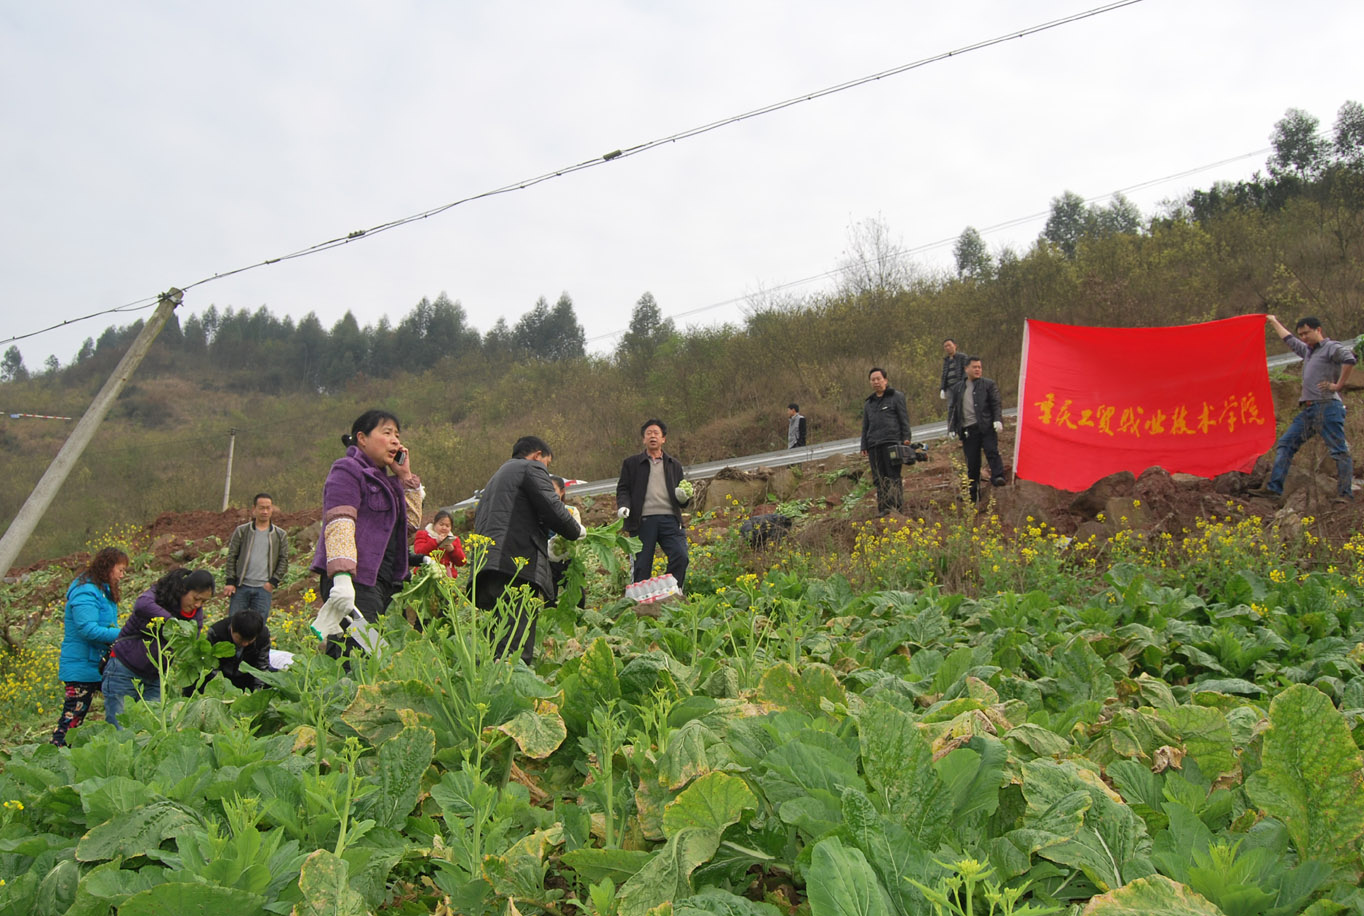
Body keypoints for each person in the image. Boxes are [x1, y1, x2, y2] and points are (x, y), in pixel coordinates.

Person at [310, 410, 424, 654]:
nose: (396, 440)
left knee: (363, 655)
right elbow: (340, 522)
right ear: (362, 438)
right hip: (355, 580)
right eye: (387, 433)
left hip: (380, 582)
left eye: (397, 435)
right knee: (359, 657)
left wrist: (404, 476)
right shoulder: (347, 470)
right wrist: (341, 579)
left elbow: (410, 526)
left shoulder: (388, 483)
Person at [473, 436, 585, 664]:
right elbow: (552, 506)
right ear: (537, 456)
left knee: (499, 636)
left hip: (489, 566)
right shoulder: (530, 467)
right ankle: (512, 691)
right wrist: (575, 530)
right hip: (515, 563)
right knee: (516, 644)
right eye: (547, 463)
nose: (545, 470)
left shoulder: (496, 478)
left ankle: (490, 689)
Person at [1250, 315, 1356, 502]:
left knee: (1338, 451)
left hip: (1328, 406)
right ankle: (1274, 489)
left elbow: (1349, 358)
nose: (1304, 337)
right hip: (1308, 409)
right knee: (1286, 443)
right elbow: (1289, 339)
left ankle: (1345, 494)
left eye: (1307, 333)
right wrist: (1273, 321)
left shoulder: (1331, 347)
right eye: (1301, 334)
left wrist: (1338, 385)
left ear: (1318, 330)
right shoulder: (1308, 351)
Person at [103, 567, 215, 727]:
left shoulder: (195, 614)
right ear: (184, 589)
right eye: (196, 598)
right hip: (124, 669)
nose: (198, 604)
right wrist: (173, 623)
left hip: (156, 676)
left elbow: (192, 641)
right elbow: (141, 604)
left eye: (203, 601)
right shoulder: (160, 593)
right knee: (119, 727)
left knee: (151, 728)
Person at [51, 546, 129, 746]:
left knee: (123, 704)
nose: (122, 575)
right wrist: (125, 634)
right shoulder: (86, 591)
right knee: (72, 719)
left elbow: (106, 626)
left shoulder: (103, 591)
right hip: (81, 666)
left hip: (97, 664)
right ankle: (54, 757)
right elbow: (88, 629)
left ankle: (117, 746)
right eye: (120, 570)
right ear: (108, 567)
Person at [616, 419, 692, 589]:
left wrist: (683, 498)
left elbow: (684, 496)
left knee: (681, 556)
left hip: (670, 520)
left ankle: (671, 592)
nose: (652, 436)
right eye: (648, 433)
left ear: (663, 439)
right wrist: (623, 506)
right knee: (642, 565)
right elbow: (623, 489)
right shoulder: (632, 464)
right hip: (642, 521)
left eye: (656, 433)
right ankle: (641, 603)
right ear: (644, 439)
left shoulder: (674, 465)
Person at [222, 492, 289, 621]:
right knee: (234, 624)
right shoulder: (242, 531)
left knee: (258, 628)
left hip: (263, 589)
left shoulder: (280, 535)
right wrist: (230, 581)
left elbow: (283, 560)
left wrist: (273, 582)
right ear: (254, 509)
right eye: (261, 508)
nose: (265, 511)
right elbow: (232, 556)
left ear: (272, 509)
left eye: (268, 508)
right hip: (241, 587)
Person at [951, 357, 1008, 501]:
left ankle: (998, 476)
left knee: (991, 451)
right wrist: (952, 427)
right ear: (966, 369)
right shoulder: (958, 388)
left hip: (986, 426)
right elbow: (953, 409)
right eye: (974, 367)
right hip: (968, 430)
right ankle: (972, 492)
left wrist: (997, 420)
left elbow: (996, 403)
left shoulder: (988, 384)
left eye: (979, 367)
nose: (978, 370)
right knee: (972, 462)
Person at [860, 368, 913, 516]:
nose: (876, 382)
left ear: (885, 380)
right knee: (878, 478)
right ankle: (883, 508)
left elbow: (904, 419)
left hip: (892, 442)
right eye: (873, 380)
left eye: (878, 379)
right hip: (874, 445)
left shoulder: (896, 396)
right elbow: (865, 426)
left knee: (893, 476)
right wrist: (864, 445)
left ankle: (895, 508)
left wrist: (906, 438)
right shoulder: (868, 403)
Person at [202, 611, 272, 691]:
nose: (245, 644)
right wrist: (222, 688)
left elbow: (262, 667)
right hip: (221, 674)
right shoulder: (216, 633)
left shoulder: (263, 636)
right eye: (240, 639)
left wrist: (257, 693)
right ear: (232, 629)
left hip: (246, 677)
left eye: (250, 640)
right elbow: (211, 666)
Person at [413, 510, 467, 578]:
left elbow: (462, 562)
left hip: (446, 578)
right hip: (425, 575)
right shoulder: (423, 535)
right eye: (441, 524)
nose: (444, 528)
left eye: (447, 526)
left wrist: (452, 550)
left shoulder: (454, 540)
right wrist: (435, 542)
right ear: (434, 524)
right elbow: (419, 553)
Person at [940, 339, 970, 429]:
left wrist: (963, 383)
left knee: (963, 405)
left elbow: (966, 371)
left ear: (955, 345)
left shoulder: (962, 357)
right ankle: (951, 429)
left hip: (960, 386)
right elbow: (944, 375)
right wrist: (942, 388)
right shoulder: (946, 361)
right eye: (945, 346)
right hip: (949, 388)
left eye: (949, 345)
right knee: (951, 407)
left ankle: (965, 426)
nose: (947, 348)